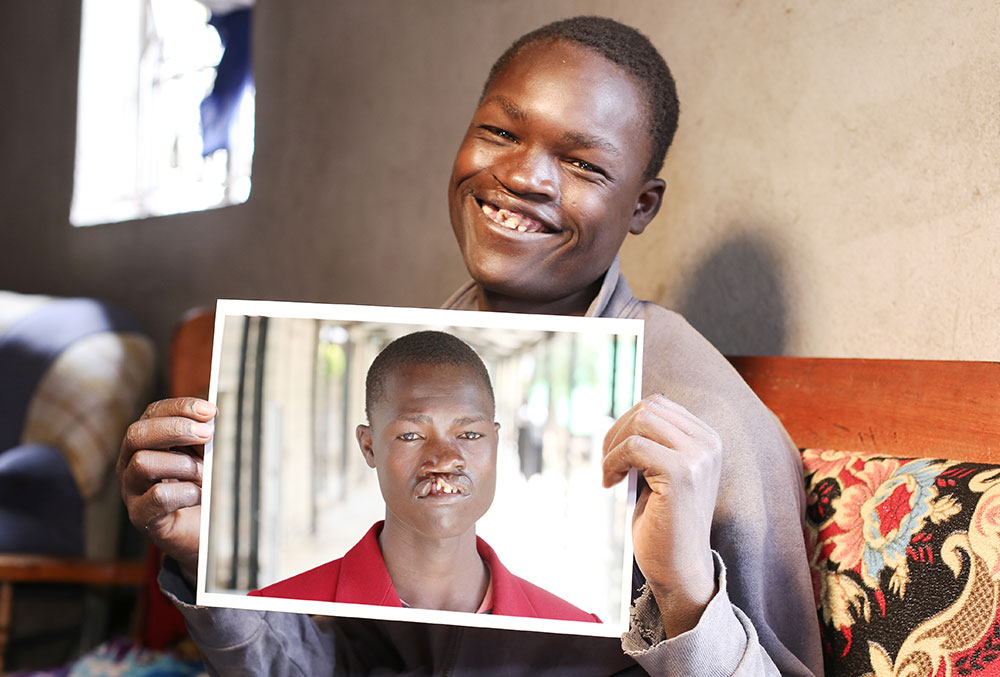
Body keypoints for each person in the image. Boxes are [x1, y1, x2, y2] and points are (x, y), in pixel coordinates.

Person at [118, 16, 823, 675]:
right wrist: (203, 553)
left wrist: (686, 592)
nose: (522, 176)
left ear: (641, 204)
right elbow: (335, 660)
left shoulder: (702, 417)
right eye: (500, 132)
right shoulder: (423, 365)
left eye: (582, 164)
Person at [249, 330, 599, 623]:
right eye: (411, 435)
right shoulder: (268, 617)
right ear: (369, 447)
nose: (445, 460)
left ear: (496, 441)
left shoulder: (576, 632)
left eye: (470, 435)